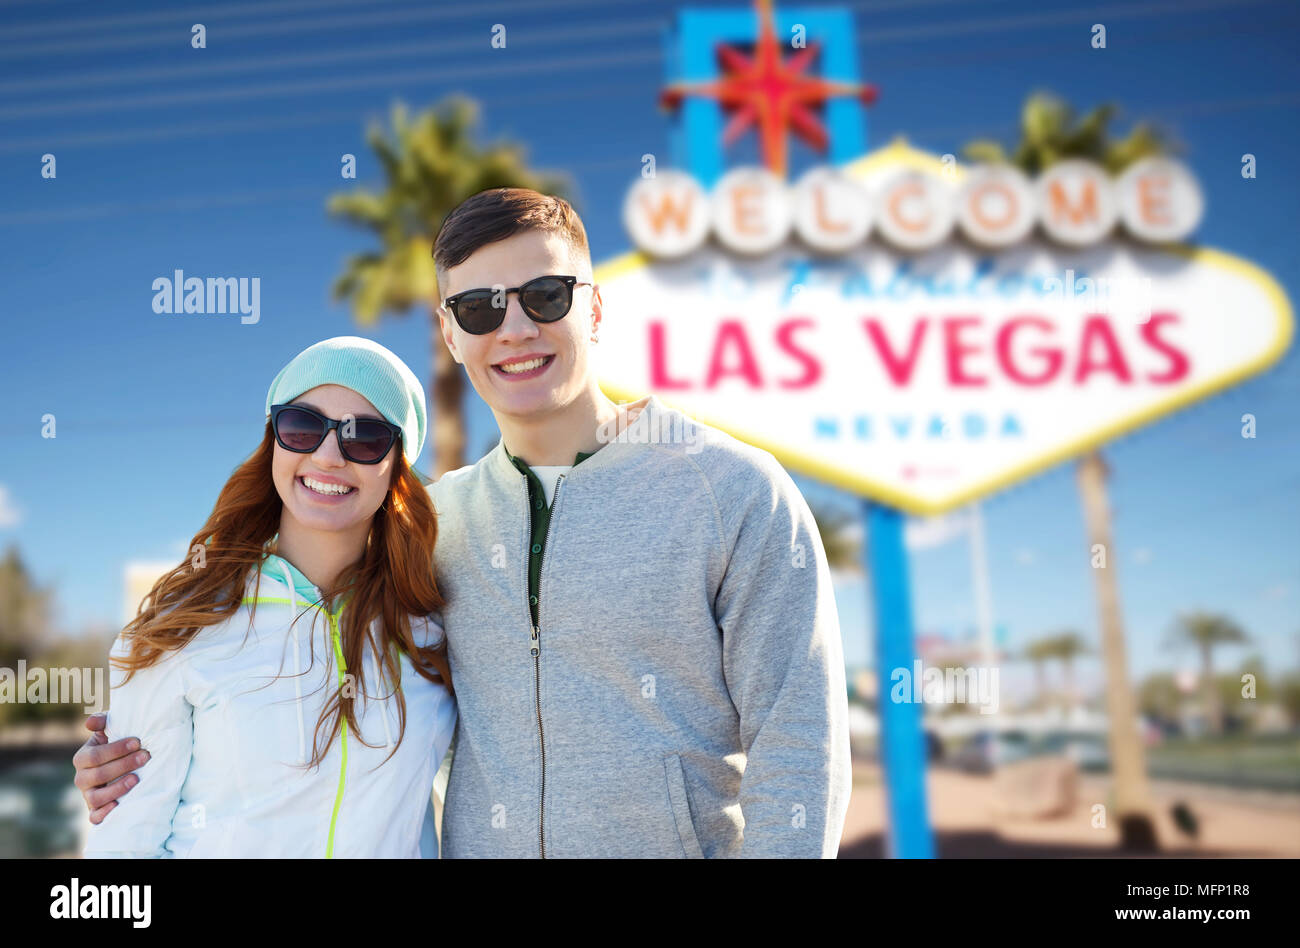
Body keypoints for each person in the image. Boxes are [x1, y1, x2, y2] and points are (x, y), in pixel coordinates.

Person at [77, 188, 850, 858]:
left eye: (545, 295)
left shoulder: (732, 493)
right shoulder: (434, 528)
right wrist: (127, 759)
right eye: (479, 308)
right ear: (451, 335)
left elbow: (800, 748)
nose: (513, 328)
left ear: (596, 306)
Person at [79, 336, 457, 858]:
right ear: (274, 440)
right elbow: (124, 850)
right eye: (302, 426)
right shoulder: (182, 627)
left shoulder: (431, 629)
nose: (328, 456)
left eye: (364, 438)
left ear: (396, 467)